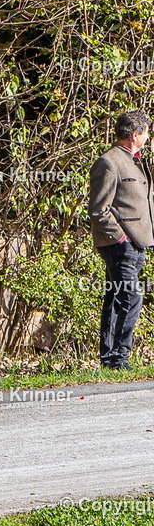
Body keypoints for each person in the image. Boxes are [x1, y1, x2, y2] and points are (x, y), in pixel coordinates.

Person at [88, 110, 153, 370]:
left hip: (138, 244)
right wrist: (120, 238)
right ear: (135, 135)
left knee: (116, 298)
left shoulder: (134, 161)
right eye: (146, 133)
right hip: (120, 245)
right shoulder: (109, 162)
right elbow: (98, 209)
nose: (148, 138)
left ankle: (110, 358)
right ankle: (119, 358)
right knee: (131, 297)